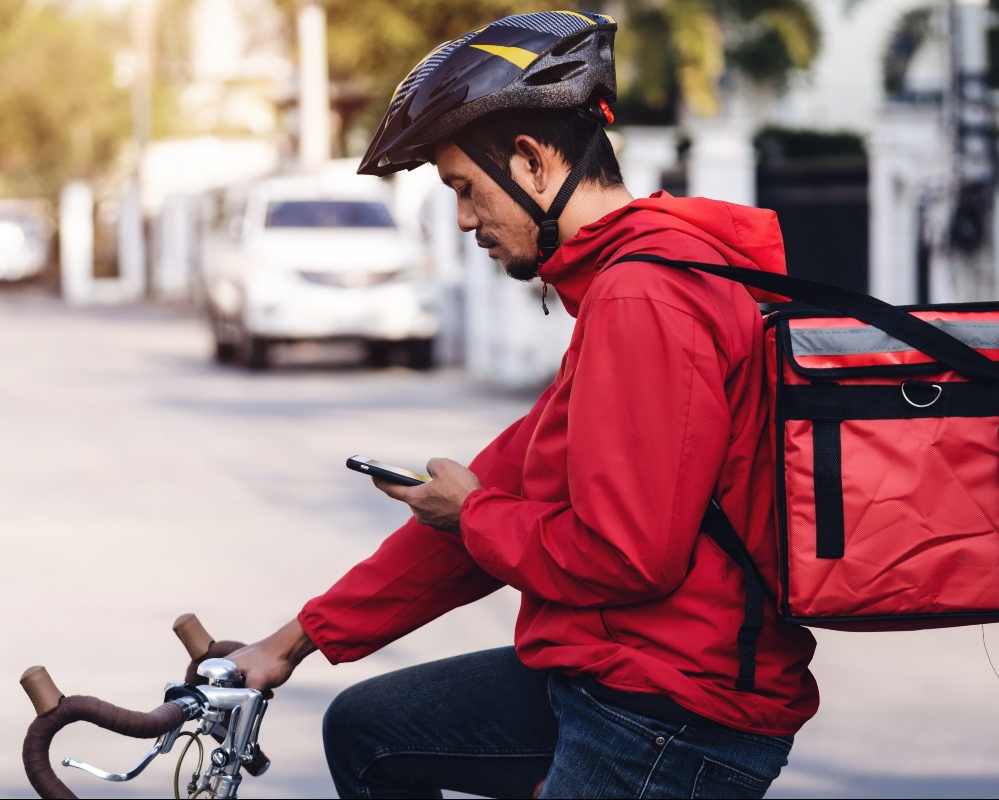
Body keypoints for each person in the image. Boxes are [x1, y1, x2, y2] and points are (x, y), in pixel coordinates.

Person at [226, 11, 819, 799]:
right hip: (614, 673)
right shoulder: (623, 284)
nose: (466, 219)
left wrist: (473, 515)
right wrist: (290, 644)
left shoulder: (645, 297)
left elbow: (626, 555)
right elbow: (505, 484)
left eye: (466, 189)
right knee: (369, 731)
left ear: (534, 163)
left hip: (670, 713)